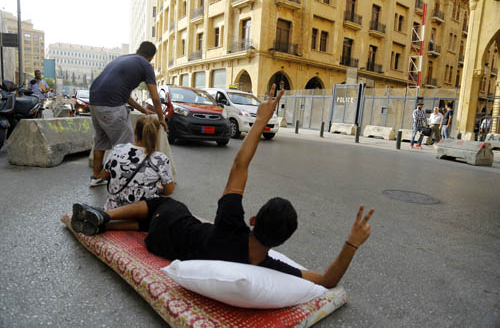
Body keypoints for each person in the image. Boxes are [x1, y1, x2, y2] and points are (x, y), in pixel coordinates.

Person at [71, 84, 374, 288]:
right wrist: (352, 243)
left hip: (169, 222)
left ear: (253, 220)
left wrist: (260, 121)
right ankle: (106, 226)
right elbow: (326, 281)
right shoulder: (264, 264)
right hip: (159, 245)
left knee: (164, 205)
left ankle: (106, 216)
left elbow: (239, 165)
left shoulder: (231, 222)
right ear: (285, 240)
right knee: (150, 223)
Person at [88, 41, 167, 187]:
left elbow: (125, 96)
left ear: (138, 50)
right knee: (127, 145)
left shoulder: (123, 59)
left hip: (94, 102)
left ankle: (96, 176)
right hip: (111, 105)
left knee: (100, 140)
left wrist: (143, 110)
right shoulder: (145, 65)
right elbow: (155, 97)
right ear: (151, 57)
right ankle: (123, 181)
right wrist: (161, 119)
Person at [102, 116, 175, 210]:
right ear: (156, 134)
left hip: (113, 208)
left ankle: (106, 218)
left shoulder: (117, 149)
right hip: (142, 213)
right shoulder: (160, 159)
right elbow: (169, 190)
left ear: (135, 130)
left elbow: (104, 175)